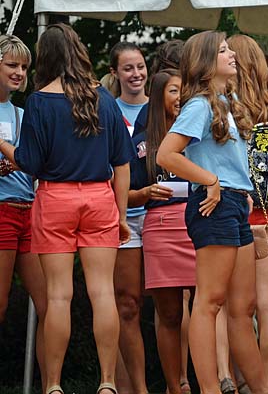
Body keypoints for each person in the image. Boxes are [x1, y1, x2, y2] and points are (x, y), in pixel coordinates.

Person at [0, 23, 134, 394]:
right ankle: (107, 381)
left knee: (58, 296)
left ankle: (54, 385)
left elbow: (28, 162)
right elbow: (122, 164)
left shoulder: (40, 101)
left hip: (56, 199)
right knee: (102, 293)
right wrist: (121, 215)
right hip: (99, 198)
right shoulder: (103, 100)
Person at [156, 30, 268, 394]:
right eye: (223, 51)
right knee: (209, 303)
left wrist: (239, 189)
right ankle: (208, 388)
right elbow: (166, 155)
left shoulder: (227, 100)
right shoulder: (199, 105)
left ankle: (262, 389)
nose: (232, 54)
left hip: (235, 203)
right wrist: (211, 180)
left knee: (242, 309)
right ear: (206, 63)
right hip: (214, 205)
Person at [227, 34, 268, 387]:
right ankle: (267, 382)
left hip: (237, 210)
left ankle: (250, 383)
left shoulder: (227, 105)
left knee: (237, 310)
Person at [129, 69, 195, 394]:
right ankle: (174, 386)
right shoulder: (141, 141)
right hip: (160, 227)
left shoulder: (199, 133)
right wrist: (145, 194)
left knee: (208, 309)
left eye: (184, 90)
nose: (180, 96)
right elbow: (122, 191)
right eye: (173, 91)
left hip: (200, 223)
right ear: (158, 97)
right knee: (169, 314)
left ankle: (207, 383)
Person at [0, 34, 48, 394]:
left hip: (28, 212)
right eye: (11, 65)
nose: (19, 73)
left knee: (49, 302)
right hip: (1, 211)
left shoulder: (22, 111)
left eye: (24, 67)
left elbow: (35, 162)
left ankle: (52, 384)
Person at [108, 41, 150, 394]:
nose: (135, 74)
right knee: (127, 303)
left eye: (139, 66)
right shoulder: (107, 110)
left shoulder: (164, 107)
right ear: (114, 73)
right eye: (127, 68)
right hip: (121, 216)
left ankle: (178, 383)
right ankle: (134, 388)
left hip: (162, 216)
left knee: (174, 303)